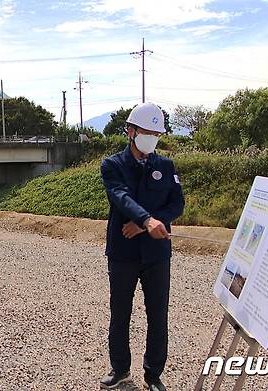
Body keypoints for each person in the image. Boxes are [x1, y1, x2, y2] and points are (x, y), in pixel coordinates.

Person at [99, 102, 185, 391]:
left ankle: (153, 375)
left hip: (157, 254)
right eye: (146, 131)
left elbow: (177, 203)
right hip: (123, 253)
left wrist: (147, 223)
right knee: (120, 313)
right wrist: (146, 220)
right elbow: (120, 196)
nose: (151, 138)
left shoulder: (166, 165)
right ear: (130, 131)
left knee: (158, 315)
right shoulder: (113, 165)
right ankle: (120, 369)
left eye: (156, 133)